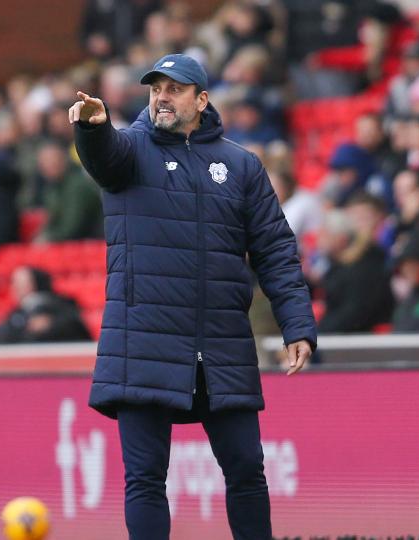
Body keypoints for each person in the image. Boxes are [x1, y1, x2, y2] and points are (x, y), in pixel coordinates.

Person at [70, 53, 316, 539]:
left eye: (175, 89)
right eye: (155, 88)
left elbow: (275, 250)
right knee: (145, 478)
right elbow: (103, 157)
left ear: (201, 100)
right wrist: (93, 129)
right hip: (143, 342)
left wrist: (297, 325)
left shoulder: (241, 165)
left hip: (221, 343)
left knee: (247, 470)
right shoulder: (129, 149)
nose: (162, 97)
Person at [316, 209, 394, 333]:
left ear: (341, 239)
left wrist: (319, 332)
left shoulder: (363, 268)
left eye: (325, 235)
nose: (319, 239)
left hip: (362, 337)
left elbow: (354, 313)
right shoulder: (338, 266)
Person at [0, 266, 90, 343]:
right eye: (14, 283)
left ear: (35, 283)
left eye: (21, 284)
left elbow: (78, 329)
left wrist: (51, 324)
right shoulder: (17, 314)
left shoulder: (62, 305)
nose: (15, 288)